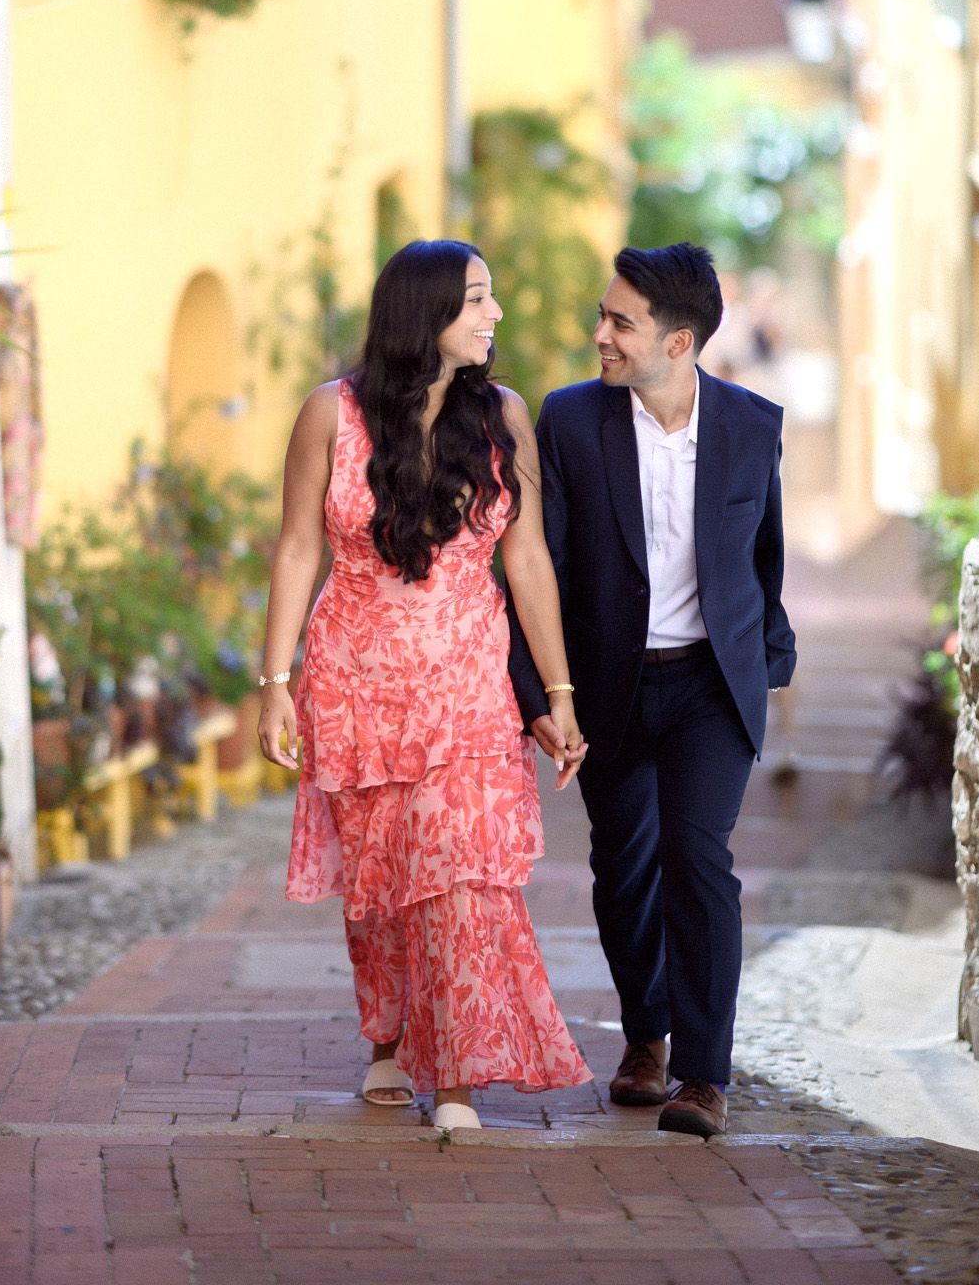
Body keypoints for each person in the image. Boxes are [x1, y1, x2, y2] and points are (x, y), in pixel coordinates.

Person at [257, 239, 591, 1131]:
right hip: (354, 681)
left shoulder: (503, 416)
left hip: (468, 686)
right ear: (424, 314)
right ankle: (387, 1039)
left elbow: (526, 561)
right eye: (477, 299)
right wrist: (273, 680)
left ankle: (455, 1077)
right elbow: (297, 546)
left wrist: (555, 696)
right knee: (378, 885)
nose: (495, 317)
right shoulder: (330, 414)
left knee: (460, 877)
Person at [509, 241, 796, 1139]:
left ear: (678, 343)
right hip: (608, 683)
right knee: (621, 865)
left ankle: (704, 1074)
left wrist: (770, 655)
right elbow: (538, 565)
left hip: (713, 684)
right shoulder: (569, 422)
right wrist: (538, 692)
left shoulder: (751, 425)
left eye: (617, 322)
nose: (599, 334)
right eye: (603, 315)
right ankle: (645, 1037)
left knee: (697, 858)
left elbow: (761, 554)